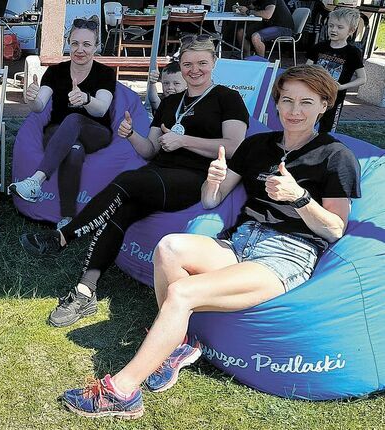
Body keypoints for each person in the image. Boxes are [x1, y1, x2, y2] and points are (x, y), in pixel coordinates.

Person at [59, 64, 360, 420]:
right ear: (276, 103)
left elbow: (335, 228)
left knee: (182, 293)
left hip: (287, 253)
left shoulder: (335, 155)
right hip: (240, 242)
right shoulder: (257, 146)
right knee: (169, 246)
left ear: (324, 105)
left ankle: (122, 392)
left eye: (306, 102)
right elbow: (210, 201)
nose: (294, 111)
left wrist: (299, 198)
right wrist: (213, 180)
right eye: (287, 101)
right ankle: (179, 344)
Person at [20, 36, 249, 328]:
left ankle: (64, 236)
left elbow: (233, 146)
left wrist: (183, 140)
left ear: (214, 63)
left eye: (202, 63)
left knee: (127, 181)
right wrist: (131, 136)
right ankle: (85, 291)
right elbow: (151, 150)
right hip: (157, 172)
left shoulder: (227, 98)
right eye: (188, 63)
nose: (194, 70)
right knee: (122, 210)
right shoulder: (170, 102)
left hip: (193, 178)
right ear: (181, 64)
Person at [9, 15, 117, 229]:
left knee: (74, 118)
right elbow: (40, 105)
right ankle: (68, 218)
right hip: (58, 132)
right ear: (68, 43)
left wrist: (86, 99)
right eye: (75, 43)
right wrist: (31, 97)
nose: (80, 49)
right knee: (74, 150)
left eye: (87, 44)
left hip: (95, 132)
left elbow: (102, 108)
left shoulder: (105, 73)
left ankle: (36, 181)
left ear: (96, 47)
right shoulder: (56, 71)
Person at [306, 8, 367, 133]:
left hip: (334, 101)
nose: (333, 30)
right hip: (312, 97)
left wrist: (342, 86)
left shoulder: (353, 53)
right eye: (331, 26)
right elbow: (306, 70)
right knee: (305, 127)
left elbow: (362, 78)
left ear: (351, 30)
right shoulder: (319, 47)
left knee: (326, 133)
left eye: (340, 27)